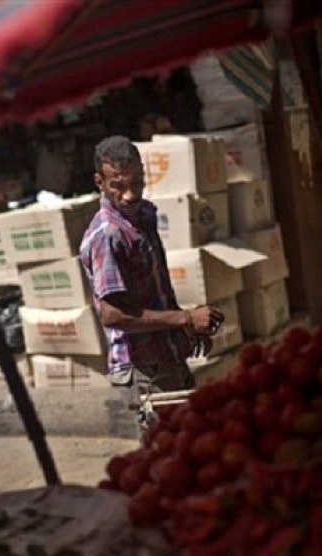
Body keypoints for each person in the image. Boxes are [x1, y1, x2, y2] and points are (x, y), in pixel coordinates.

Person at [79, 136, 224, 426]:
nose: (130, 194)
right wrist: (184, 319)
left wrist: (184, 328)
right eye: (118, 186)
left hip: (166, 359)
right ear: (100, 182)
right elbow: (112, 314)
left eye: (137, 183)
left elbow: (152, 293)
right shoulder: (109, 235)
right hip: (143, 372)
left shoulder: (143, 216)